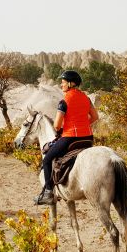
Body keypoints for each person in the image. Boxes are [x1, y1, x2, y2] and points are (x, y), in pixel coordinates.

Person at [35, 70, 99, 205]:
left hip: (70, 138)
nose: (61, 84)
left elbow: (57, 126)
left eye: (63, 82)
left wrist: (64, 129)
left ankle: (48, 193)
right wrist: (82, 125)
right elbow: (95, 117)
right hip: (87, 138)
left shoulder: (64, 101)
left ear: (71, 83)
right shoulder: (86, 98)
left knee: (47, 160)